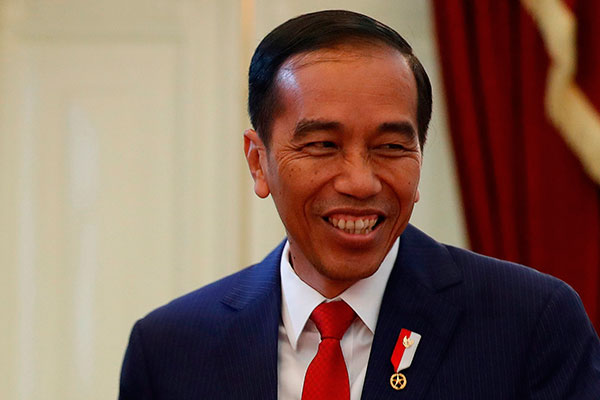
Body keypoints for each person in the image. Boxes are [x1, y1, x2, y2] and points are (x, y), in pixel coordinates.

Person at [119, 10, 600, 399]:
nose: (360, 181)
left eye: (390, 147)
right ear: (258, 161)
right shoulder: (170, 350)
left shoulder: (530, 323)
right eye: (322, 145)